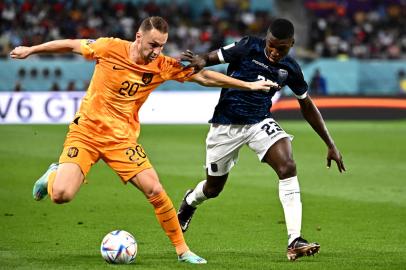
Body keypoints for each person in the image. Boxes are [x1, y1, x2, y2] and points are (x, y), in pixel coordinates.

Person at [9, 16, 275, 264]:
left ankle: (183, 251)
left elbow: (203, 76)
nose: (156, 51)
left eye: (161, 46)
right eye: (152, 45)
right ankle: (52, 175)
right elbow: (70, 45)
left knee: (155, 190)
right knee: (61, 195)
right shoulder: (109, 47)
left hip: (122, 141)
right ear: (138, 36)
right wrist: (31, 49)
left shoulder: (161, 65)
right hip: (86, 133)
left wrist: (248, 85)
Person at [177, 18, 346, 261]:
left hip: (259, 123)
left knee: (288, 165)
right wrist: (202, 59)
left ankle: (294, 240)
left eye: (282, 48)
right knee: (213, 188)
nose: (275, 52)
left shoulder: (291, 69)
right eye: (272, 45)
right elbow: (214, 57)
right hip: (226, 124)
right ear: (266, 39)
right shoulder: (249, 46)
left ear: (291, 44)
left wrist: (330, 144)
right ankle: (190, 201)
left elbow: (307, 105)